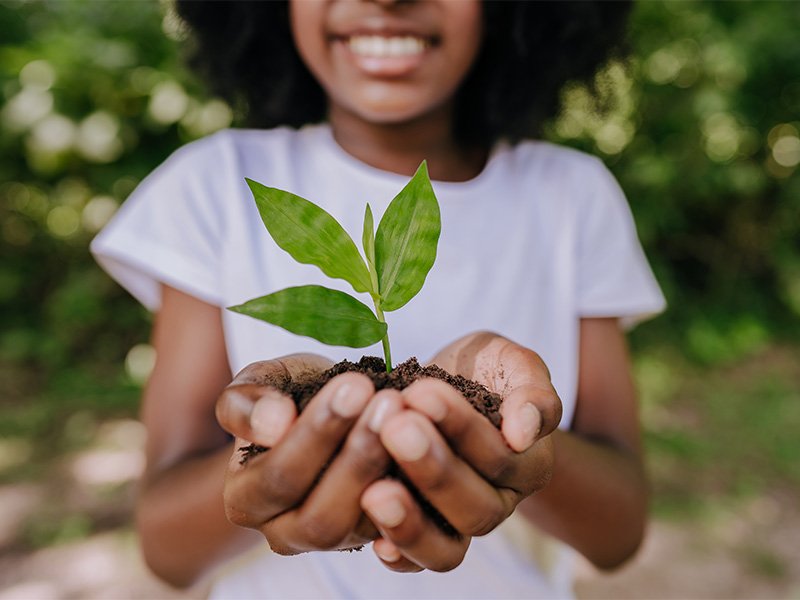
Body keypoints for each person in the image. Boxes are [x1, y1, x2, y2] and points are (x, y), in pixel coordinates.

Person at [91, 1, 666, 598]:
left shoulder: (572, 196)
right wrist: (279, 459)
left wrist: (514, 442)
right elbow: (165, 546)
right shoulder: (211, 188)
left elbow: (619, 531)